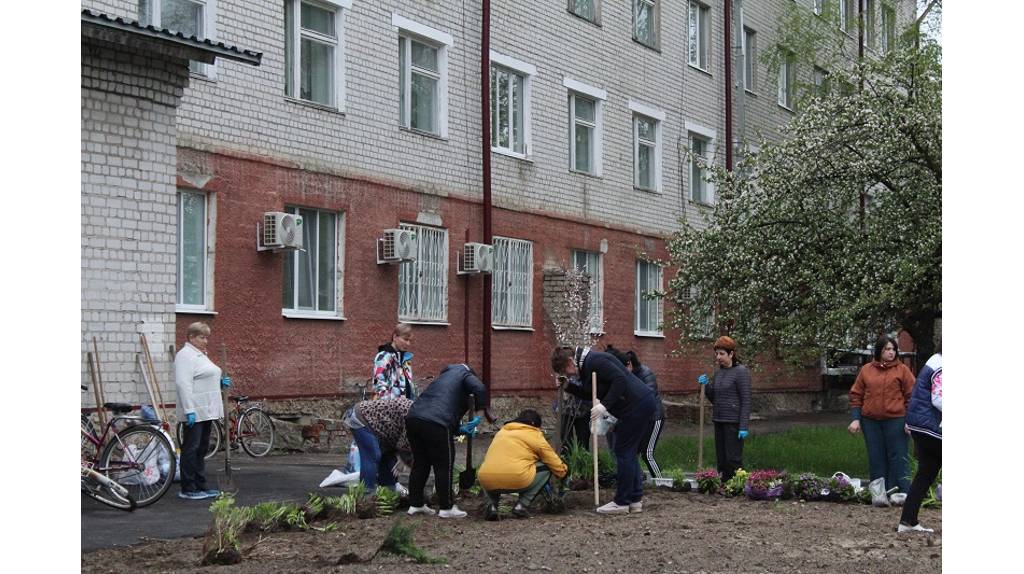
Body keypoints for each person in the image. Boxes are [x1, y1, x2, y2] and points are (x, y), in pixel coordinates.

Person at [552, 345, 656, 515]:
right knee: (628, 451)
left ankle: (622, 502)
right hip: (639, 404)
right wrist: (568, 386)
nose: (569, 374)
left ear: (570, 361)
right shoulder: (587, 365)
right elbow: (589, 392)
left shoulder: (595, 361)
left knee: (622, 451)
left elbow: (620, 380)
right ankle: (635, 500)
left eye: (565, 370)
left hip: (636, 405)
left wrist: (604, 406)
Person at [404, 364, 494, 518]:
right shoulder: (463, 373)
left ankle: (416, 504)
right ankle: (446, 507)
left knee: (421, 463)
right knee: (443, 465)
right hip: (437, 422)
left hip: (413, 418)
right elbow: (480, 388)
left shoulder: (442, 380)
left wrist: (460, 429)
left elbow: (442, 405)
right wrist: (479, 414)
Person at [847, 335, 916, 495]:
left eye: (893, 349)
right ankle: (878, 494)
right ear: (879, 351)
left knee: (898, 456)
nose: (891, 352)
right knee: (876, 456)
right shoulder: (866, 370)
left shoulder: (902, 370)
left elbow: (912, 396)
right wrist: (856, 419)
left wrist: (910, 421)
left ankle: (902, 494)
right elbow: (856, 395)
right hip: (870, 421)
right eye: (887, 349)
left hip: (896, 420)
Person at [174, 322, 231, 500]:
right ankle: (188, 487)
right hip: (195, 410)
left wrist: (220, 383)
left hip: (206, 410)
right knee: (191, 448)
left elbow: (205, 376)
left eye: (206, 337)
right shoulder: (185, 356)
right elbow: (183, 384)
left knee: (202, 448)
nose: (205, 341)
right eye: (201, 337)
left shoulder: (200, 355)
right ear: (191, 337)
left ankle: (201, 484)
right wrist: (189, 409)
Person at [478, 409, 568, 520]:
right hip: (517, 478)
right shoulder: (534, 435)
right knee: (547, 468)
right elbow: (552, 461)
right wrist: (564, 473)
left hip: (486, 478)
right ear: (535, 424)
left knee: (490, 471)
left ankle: (492, 506)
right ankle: (521, 505)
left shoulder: (502, 432)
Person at [697, 336, 751, 483]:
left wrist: (743, 426)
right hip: (719, 419)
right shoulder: (719, 373)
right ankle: (724, 485)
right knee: (721, 458)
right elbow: (715, 398)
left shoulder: (741, 372)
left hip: (733, 422)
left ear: (731, 354)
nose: (718, 357)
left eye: (722, 354)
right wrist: (706, 386)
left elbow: (746, 400)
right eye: (717, 354)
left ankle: (739, 485)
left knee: (733, 459)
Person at [898, 350, 942, 533]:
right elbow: (939, 399)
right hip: (930, 427)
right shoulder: (942, 366)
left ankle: (907, 521)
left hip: (921, 426)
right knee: (926, 473)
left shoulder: (935, 360)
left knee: (926, 473)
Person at [606, 346, 665, 479]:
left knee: (647, 453)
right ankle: (638, 478)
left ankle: (661, 481)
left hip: (654, 418)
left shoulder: (646, 373)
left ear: (629, 364)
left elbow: (647, 397)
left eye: (623, 368)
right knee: (632, 452)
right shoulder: (627, 376)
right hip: (641, 420)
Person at [343, 396, 414, 490]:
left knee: (388, 457)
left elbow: (405, 443)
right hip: (362, 417)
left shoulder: (421, 415)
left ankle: (388, 490)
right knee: (373, 456)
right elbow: (405, 444)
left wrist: (402, 459)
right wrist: (404, 461)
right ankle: (367, 494)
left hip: (383, 429)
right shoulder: (415, 416)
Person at [373, 323, 415, 399]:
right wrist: (392, 407)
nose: (408, 344)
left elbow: (408, 384)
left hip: (406, 407)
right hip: (391, 408)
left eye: (410, 341)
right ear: (395, 337)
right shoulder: (383, 357)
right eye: (405, 339)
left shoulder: (406, 359)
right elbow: (379, 387)